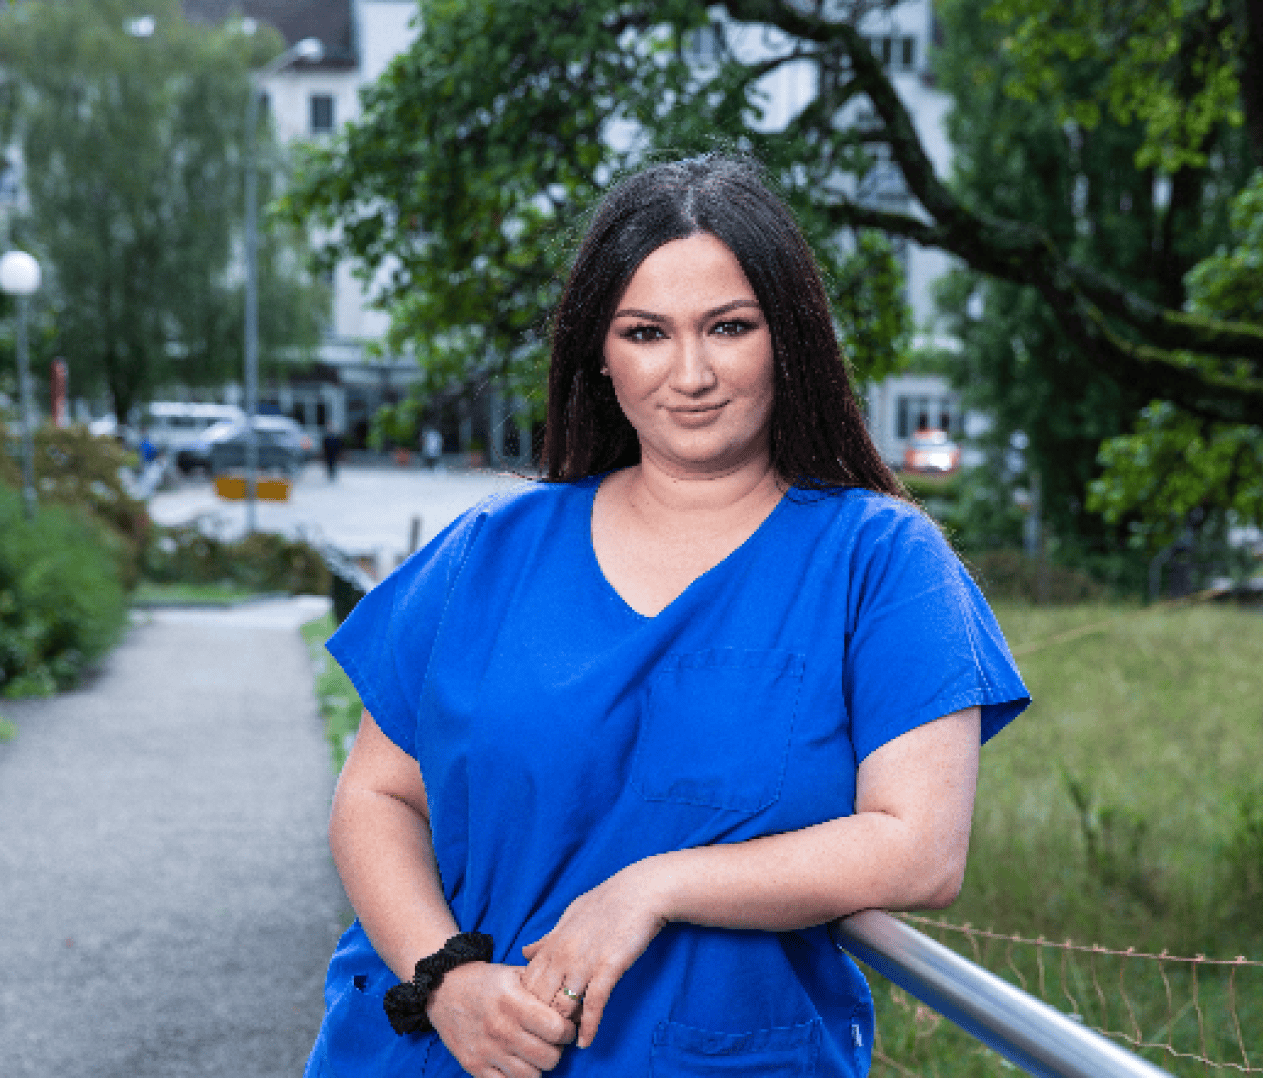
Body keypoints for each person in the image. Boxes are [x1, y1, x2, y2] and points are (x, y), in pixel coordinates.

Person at [308, 154, 1030, 1078]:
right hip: (438, 1054)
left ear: (789, 338)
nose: (690, 373)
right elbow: (374, 796)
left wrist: (656, 886)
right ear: (599, 354)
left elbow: (920, 848)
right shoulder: (488, 550)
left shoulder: (879, 561)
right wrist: (444, 982)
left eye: (729, 327)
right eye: (646, 332)